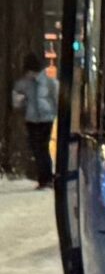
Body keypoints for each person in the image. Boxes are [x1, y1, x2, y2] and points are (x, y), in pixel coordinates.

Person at [10, 56, 57, 189]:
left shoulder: (48, 82)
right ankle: (44, 177)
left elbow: (55, 97)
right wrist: (21, 102)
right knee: (37, 149)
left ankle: (47, 178)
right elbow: (17, 101)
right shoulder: (23, 84)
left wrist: (53, 111)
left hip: (46, 119)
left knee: (42, 148)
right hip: (32, 120)